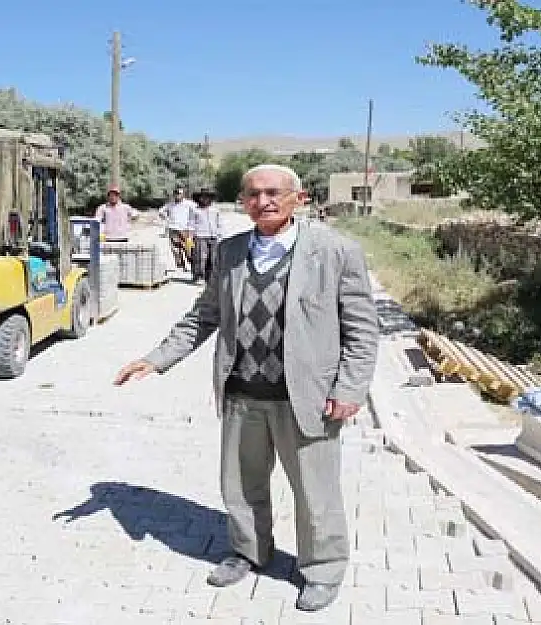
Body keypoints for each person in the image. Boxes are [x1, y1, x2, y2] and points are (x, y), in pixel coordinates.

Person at [113, 164, 379, 613]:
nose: (263, 202)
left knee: (316, 491)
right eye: (253, 194)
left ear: (299, 198)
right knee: (241, 486)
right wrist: (156, 359)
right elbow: (204, 316)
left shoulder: (335, 251)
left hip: (307, 399)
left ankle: (322, 570)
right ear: (242, 201)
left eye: (274, 193)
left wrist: (350, 388)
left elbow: (362, 330)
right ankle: (249, 552)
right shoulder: (231, 251)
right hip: (242, 393)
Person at [187, 188, 222, 283]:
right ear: (200, 198)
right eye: (204, 197)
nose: (206, 199)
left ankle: (210, 277)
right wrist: (189, 240)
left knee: (213, 257)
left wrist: (220, 236)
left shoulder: (215, 210)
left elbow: (219, 224)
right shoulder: (194, 210)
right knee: (200, 257)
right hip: (200, 236)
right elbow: (191, 224)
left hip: (213, 236)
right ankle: (198, 276)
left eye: (208, 197)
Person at [159, 187, 196, 270]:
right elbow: (161, 211)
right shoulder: (170, 204)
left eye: (179, 193)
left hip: (186, 229)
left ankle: (193, 264)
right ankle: (181, 265)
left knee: (188, 248)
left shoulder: (189, 204)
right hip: (173, 229)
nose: (178, 195)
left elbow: (197, 211)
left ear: (183, 194)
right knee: (175, 248)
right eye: (176, 193)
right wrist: (164, 216)